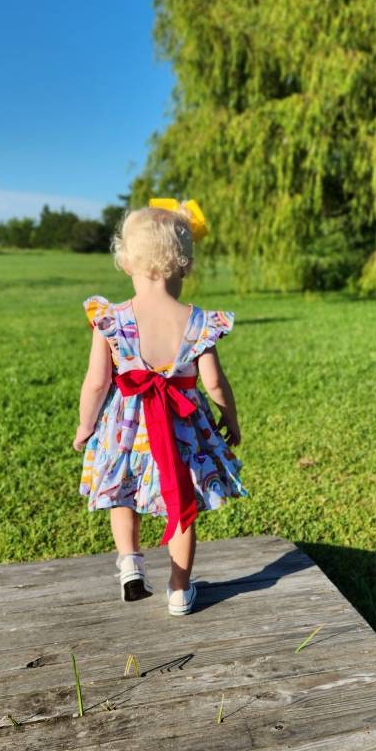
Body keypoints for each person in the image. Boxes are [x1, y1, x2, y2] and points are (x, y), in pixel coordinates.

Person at [72, 199, 247, 616]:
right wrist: (230, 418)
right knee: (181, 500)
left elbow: (97, 382)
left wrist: (85, 426)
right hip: (182, 428)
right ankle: (179, 589)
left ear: (126, 262)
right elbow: (214, 383)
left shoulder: (110, 318)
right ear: (185, 266)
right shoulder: (198, 321)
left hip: (125, 428)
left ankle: (130, 563)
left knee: (122, 493)